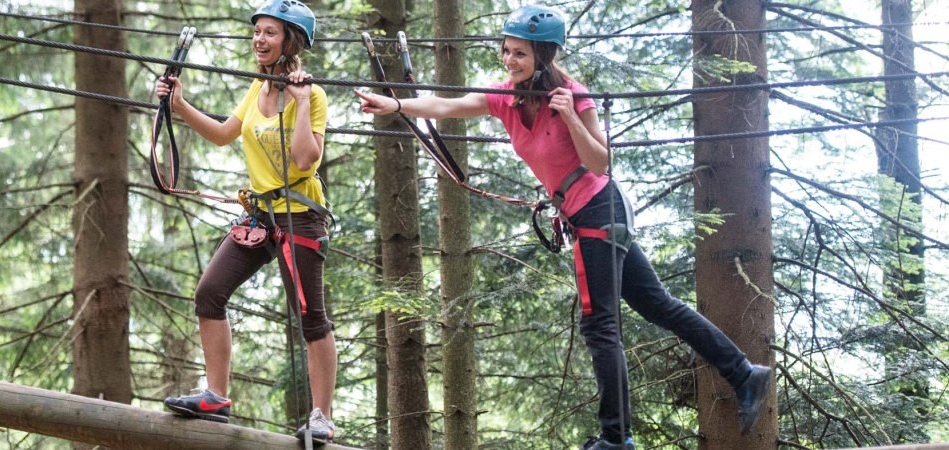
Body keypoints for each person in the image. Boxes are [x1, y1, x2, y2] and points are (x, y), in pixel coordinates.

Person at [355, 5, 773, 449]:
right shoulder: (507, 96)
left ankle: (616, 438)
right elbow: (449, 104)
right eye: (506, 51)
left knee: (601, 326)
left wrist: (571, 116)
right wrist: (397, 103)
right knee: (657, 305)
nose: (509, 60)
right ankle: (743, 373)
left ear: (544, 55)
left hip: (599, 210)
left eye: (519, 53)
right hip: (585, 215)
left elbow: (599, 161)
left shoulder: (574, 94)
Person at [155, 0, 338, 443]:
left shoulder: (311, 95)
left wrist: (296, 102)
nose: (259, 39)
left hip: (300, 219)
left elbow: (304, 158)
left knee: (311, 317)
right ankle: (215, 395)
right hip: (259, 217)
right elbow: (222, 134)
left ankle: (322, 416)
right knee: (209, 294)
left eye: (270, 32)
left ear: (290, 40)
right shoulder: (257, 88)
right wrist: (179, 105)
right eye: (257, 31)